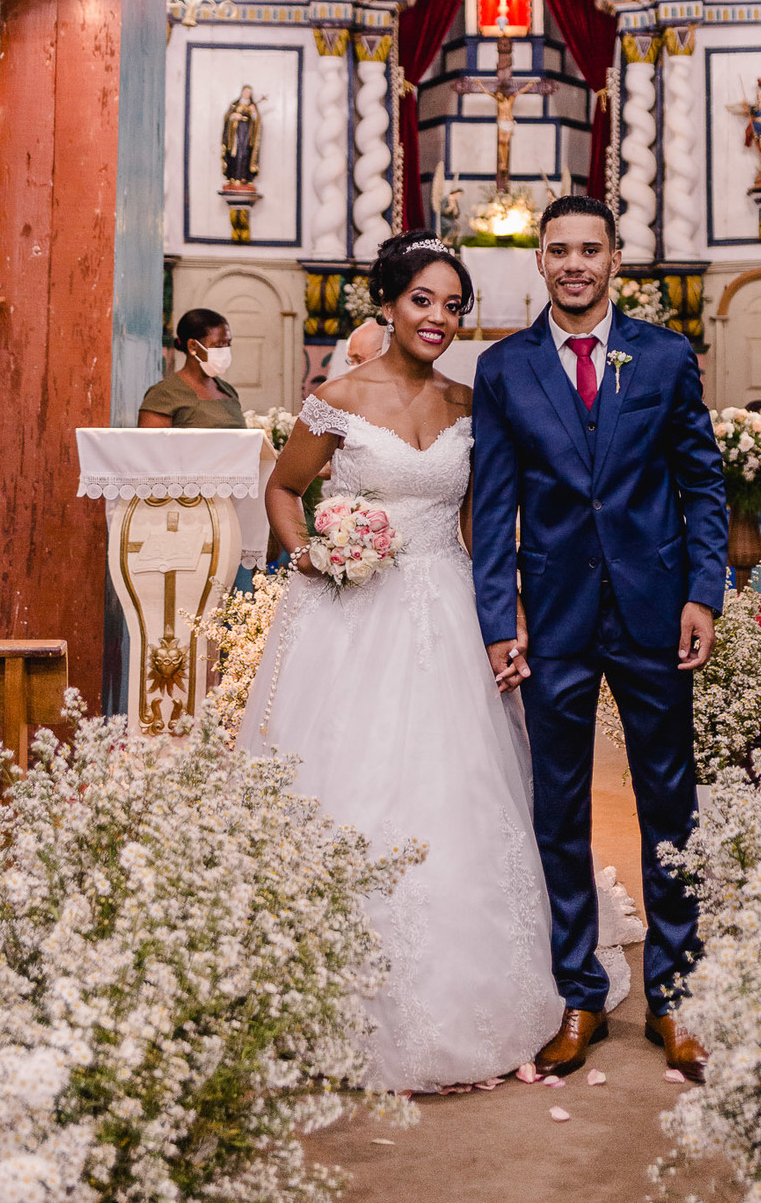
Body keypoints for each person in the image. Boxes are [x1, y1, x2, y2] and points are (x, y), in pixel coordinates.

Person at [236, 231, 562, 1091]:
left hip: (447, 608)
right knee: (347, 780)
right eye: (424, 300)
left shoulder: (467, 403)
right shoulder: (337, 400)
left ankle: (471, 986)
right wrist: (312, 552)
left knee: (457, 788)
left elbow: (472, 526)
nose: (440, 319)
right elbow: (282, 489)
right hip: (350, 615)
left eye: (455, 306)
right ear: (388, 302)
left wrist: (507, 608)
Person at [471, 196, 729, 1081]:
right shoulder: (504, 369)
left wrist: (704, 592)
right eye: (559, 250)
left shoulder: (662, 355)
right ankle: (578, 992)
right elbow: (493, 504)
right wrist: (497, 621)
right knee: (558, 808)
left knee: (670, 801)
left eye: (591, 249)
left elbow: (701, 481)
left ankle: (676, 995)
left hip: (656, 609)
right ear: (538, 262)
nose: (574, 263)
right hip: (553, 622)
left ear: (617, 258)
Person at [137, 308, 245, 428]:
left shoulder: (227, 390)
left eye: (228, 344)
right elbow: (150, 444)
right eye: (219, 345)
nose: (225, 351)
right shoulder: (164, 394)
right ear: (193, 346)